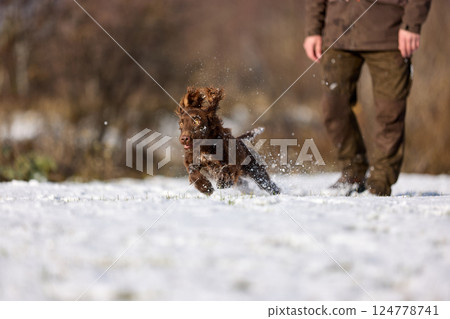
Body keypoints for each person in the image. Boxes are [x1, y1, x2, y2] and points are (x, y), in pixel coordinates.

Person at [303, 0, 431, 196]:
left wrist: (412, 23)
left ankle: (380, 182)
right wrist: (313, 28)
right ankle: (353, 172)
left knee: (390, 112)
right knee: (333, 108)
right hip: (339, 30)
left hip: (389, 30)